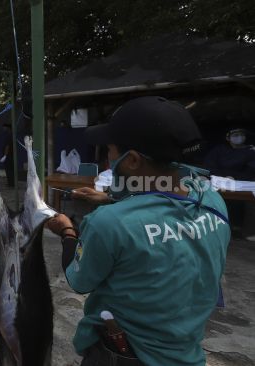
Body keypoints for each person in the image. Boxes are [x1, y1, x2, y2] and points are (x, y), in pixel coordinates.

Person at [47, 96, 230, 366]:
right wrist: (111, 199)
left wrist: (67, 232)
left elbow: (80, 281)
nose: (108, 158)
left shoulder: (107, 223)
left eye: (109, 150)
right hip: (188, 354)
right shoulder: (212, 200)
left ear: (132, 160)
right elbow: (166, 204)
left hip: (124, 357)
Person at [203, 127, 255, 240]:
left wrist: (235, 177)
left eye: (241, 134)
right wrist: (224, 177)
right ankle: (217, 228)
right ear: (228, 137)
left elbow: (251, 170)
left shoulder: (251, 151)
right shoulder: (219, 150)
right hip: (220, 181)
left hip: (244, 184)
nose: (239, 137)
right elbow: (209, 166)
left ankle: (247, 231)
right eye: (235, 135)